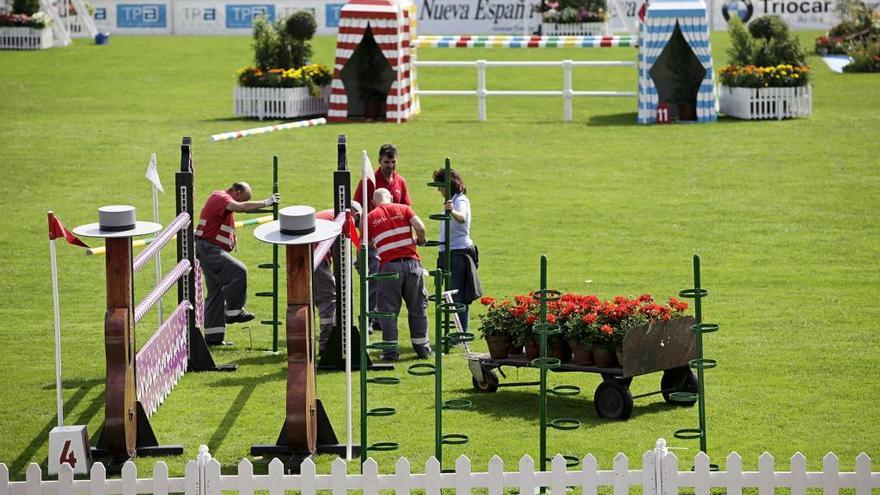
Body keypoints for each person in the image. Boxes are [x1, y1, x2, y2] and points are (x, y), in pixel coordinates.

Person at [195, 182, 279, 346]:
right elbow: (240, 207)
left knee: (216, 292)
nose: (242, 202)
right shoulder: (220, 197)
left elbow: (243, 207)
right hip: (209, 249)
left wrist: (267, 205)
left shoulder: (224, 200)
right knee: (239, 271)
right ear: (236, 192)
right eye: (243, 198)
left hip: (208, 248)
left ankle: (213, 338)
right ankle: (233, 312)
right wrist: (266, 202)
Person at [368, 188, 431, 361]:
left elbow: (364, 245)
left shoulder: (371, 217)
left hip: (388, 268)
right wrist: (421, 240)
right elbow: (420, 227)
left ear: (374, 203)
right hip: (412, 264)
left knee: (388, 312)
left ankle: (390, 352)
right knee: (418, 307)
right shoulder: (404, 209)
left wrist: (361, 262)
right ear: (391, 197)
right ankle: (422, 349)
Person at [354, 144, 411, 330]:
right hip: (373, 240)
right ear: (379, 161)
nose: (390, 166)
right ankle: (368, 319)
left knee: (388, 282)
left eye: (393, 162)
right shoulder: (369, 181)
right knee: (372, 280)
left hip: (393, 242)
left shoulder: (400, 182)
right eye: (387, 162)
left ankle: (381, 319)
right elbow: (356, 209)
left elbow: (407, 210)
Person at [433, 168, 482, 332]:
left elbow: (462, 218)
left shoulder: (460, 200)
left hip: (458, 253)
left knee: (458, 297)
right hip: (450, 252)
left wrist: (451, 210)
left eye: (440, 185)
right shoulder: (454, 199)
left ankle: (461, 334)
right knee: (453, 295)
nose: (438, 190)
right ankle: (459, 332)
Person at [314, 201, 361, 354]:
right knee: (329, 301)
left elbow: (339, 250)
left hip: (303, 257)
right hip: (317, 260)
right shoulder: (344, 218)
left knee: (314, 300)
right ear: (356, 214)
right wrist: (358, 263)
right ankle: (325, 347)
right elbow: (339, 253)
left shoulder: (330, 215)